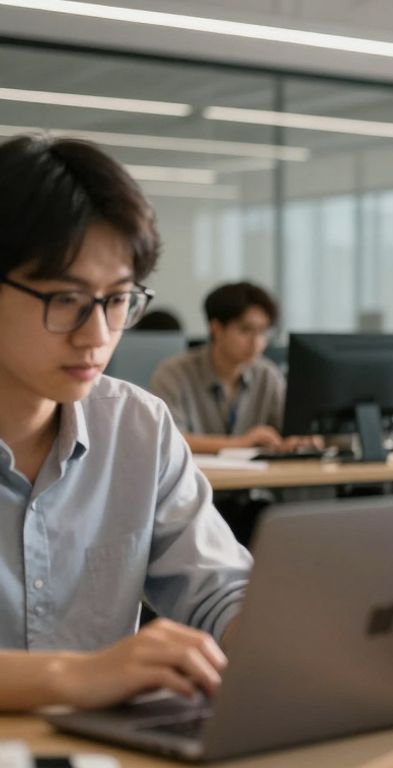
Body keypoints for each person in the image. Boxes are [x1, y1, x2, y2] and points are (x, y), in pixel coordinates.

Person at [0, 134, 251, 711]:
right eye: (65, 299)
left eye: (117, 300)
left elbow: (219, 592)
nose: (98, 336)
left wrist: (284, 645)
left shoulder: (137, 426)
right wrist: (71, 676)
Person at [149, 282, 305, 455]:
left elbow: (290, 432)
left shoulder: (268, 375)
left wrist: (300, 439)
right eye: (245, 330)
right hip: (194, 479)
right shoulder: (173, 374)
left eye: (262, 331)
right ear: (216, 329)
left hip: (257, 479)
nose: (256, 342)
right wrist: (242, 443)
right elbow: (169, 439)